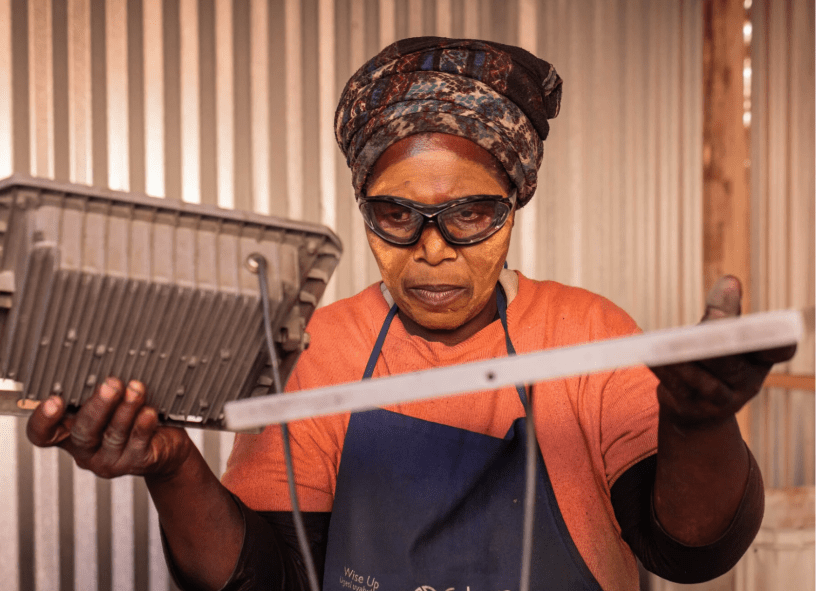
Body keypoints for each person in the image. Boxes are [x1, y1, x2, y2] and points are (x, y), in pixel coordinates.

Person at [26, 37, 795, 591]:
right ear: (363, 207)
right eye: (396, 215)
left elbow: (690, 548)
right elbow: (268, 575)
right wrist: (172, 467)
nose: (431, 251)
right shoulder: (322, 349)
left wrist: (699, 424)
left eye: (470, 214)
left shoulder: (587, 334)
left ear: (514, 205)